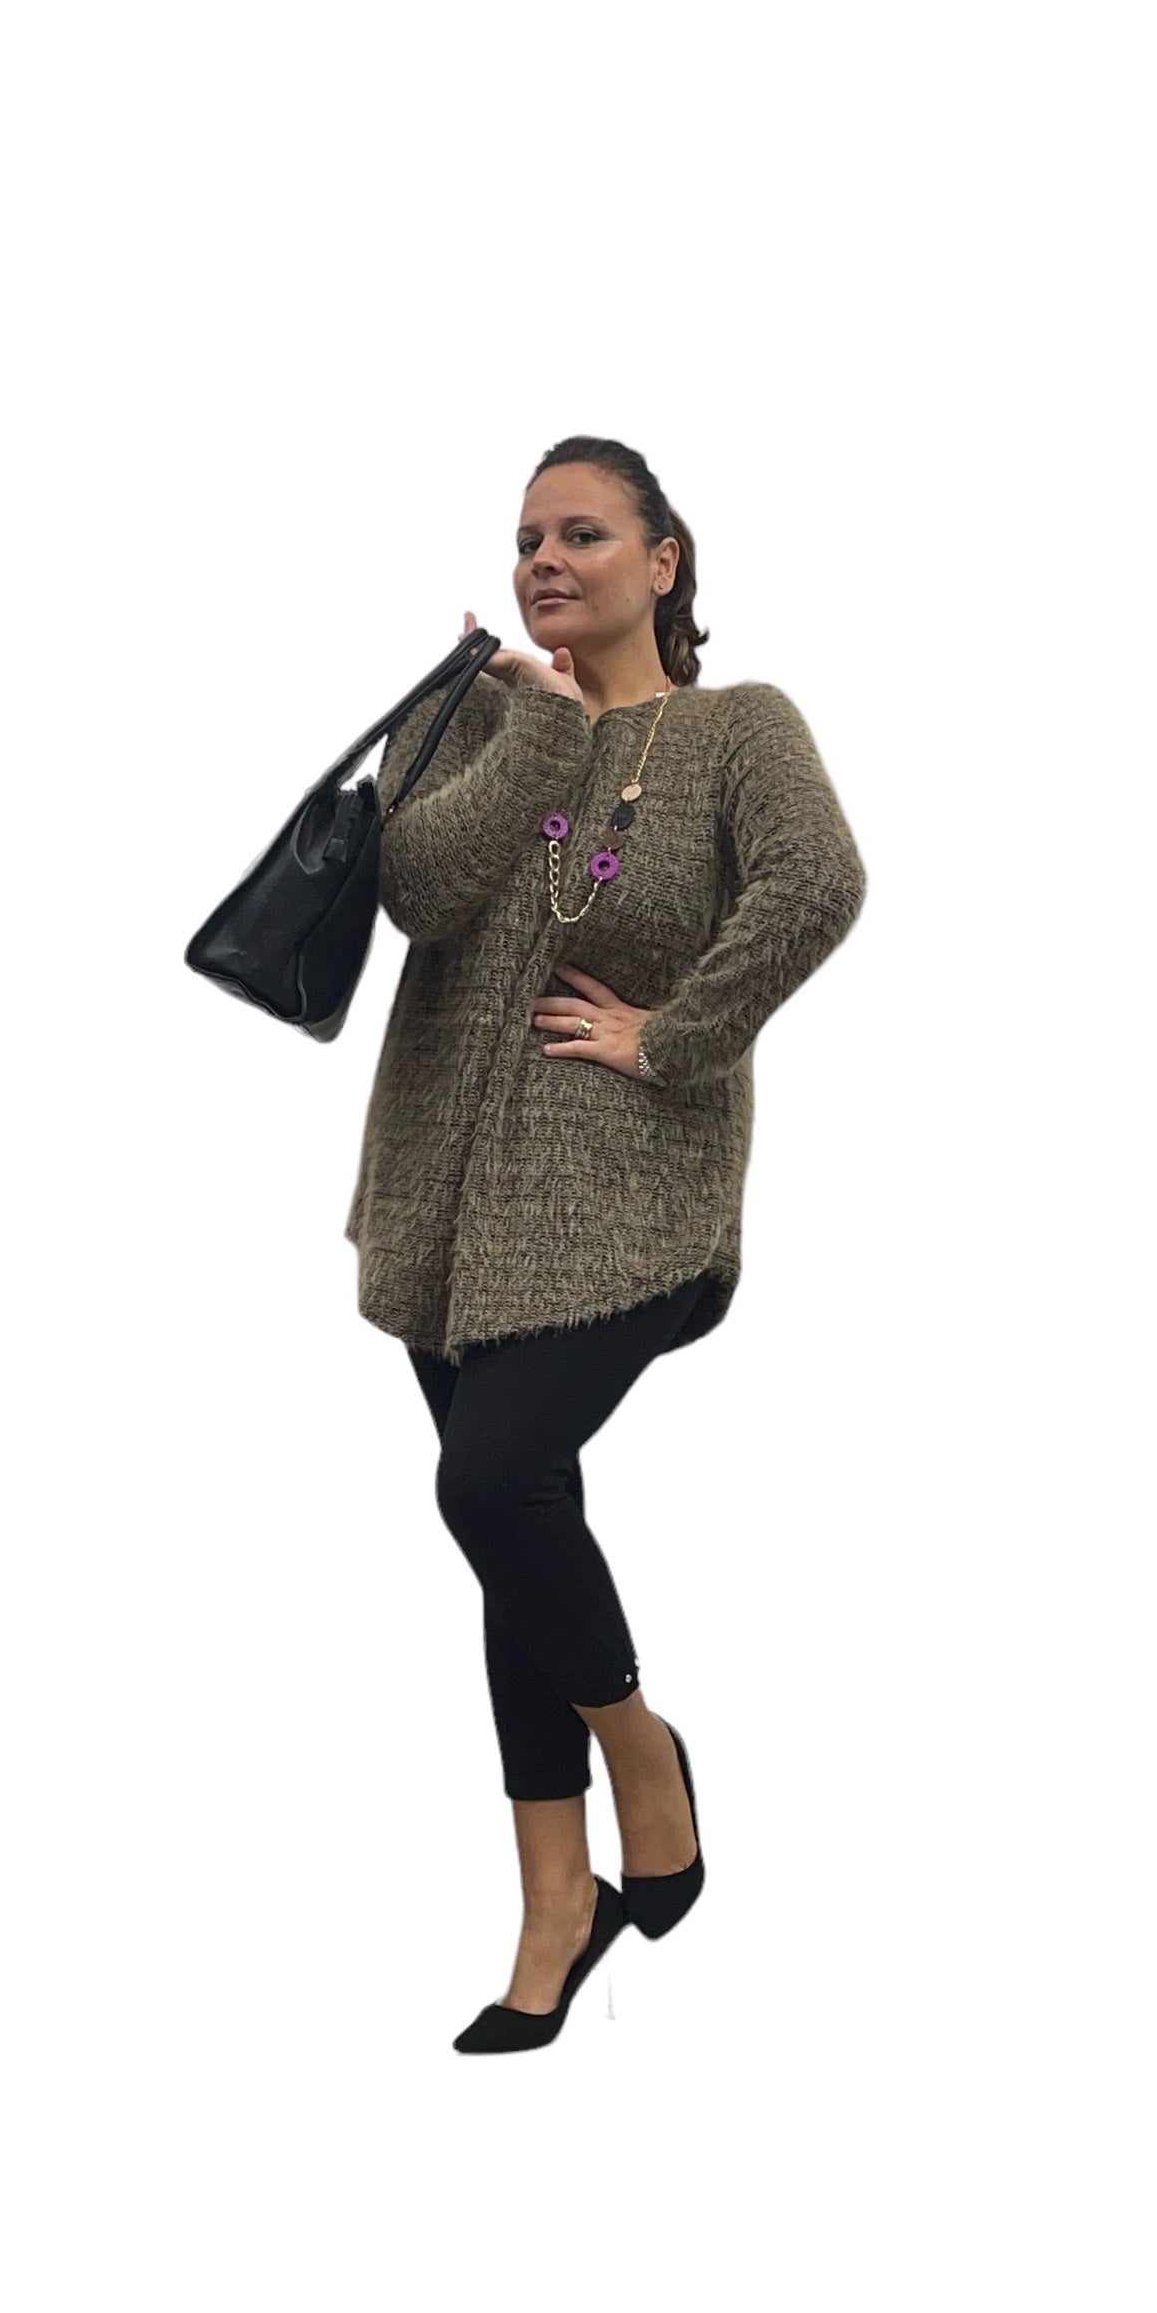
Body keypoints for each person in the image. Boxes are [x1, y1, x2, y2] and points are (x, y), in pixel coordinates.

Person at [342, 435, 868, 2053]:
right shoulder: (483, 713)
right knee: (520, 1532)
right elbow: (418, 888)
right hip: (444, 1203)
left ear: (664, 559)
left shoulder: (737, 731)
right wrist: (541, 731)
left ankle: (644, 1754)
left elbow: (817, 883)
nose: (546, 561)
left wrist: (672, 1036)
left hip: (625, 1205)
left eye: (581, 533)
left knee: (491, 1482)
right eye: (526, 540)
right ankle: (553, 1907)